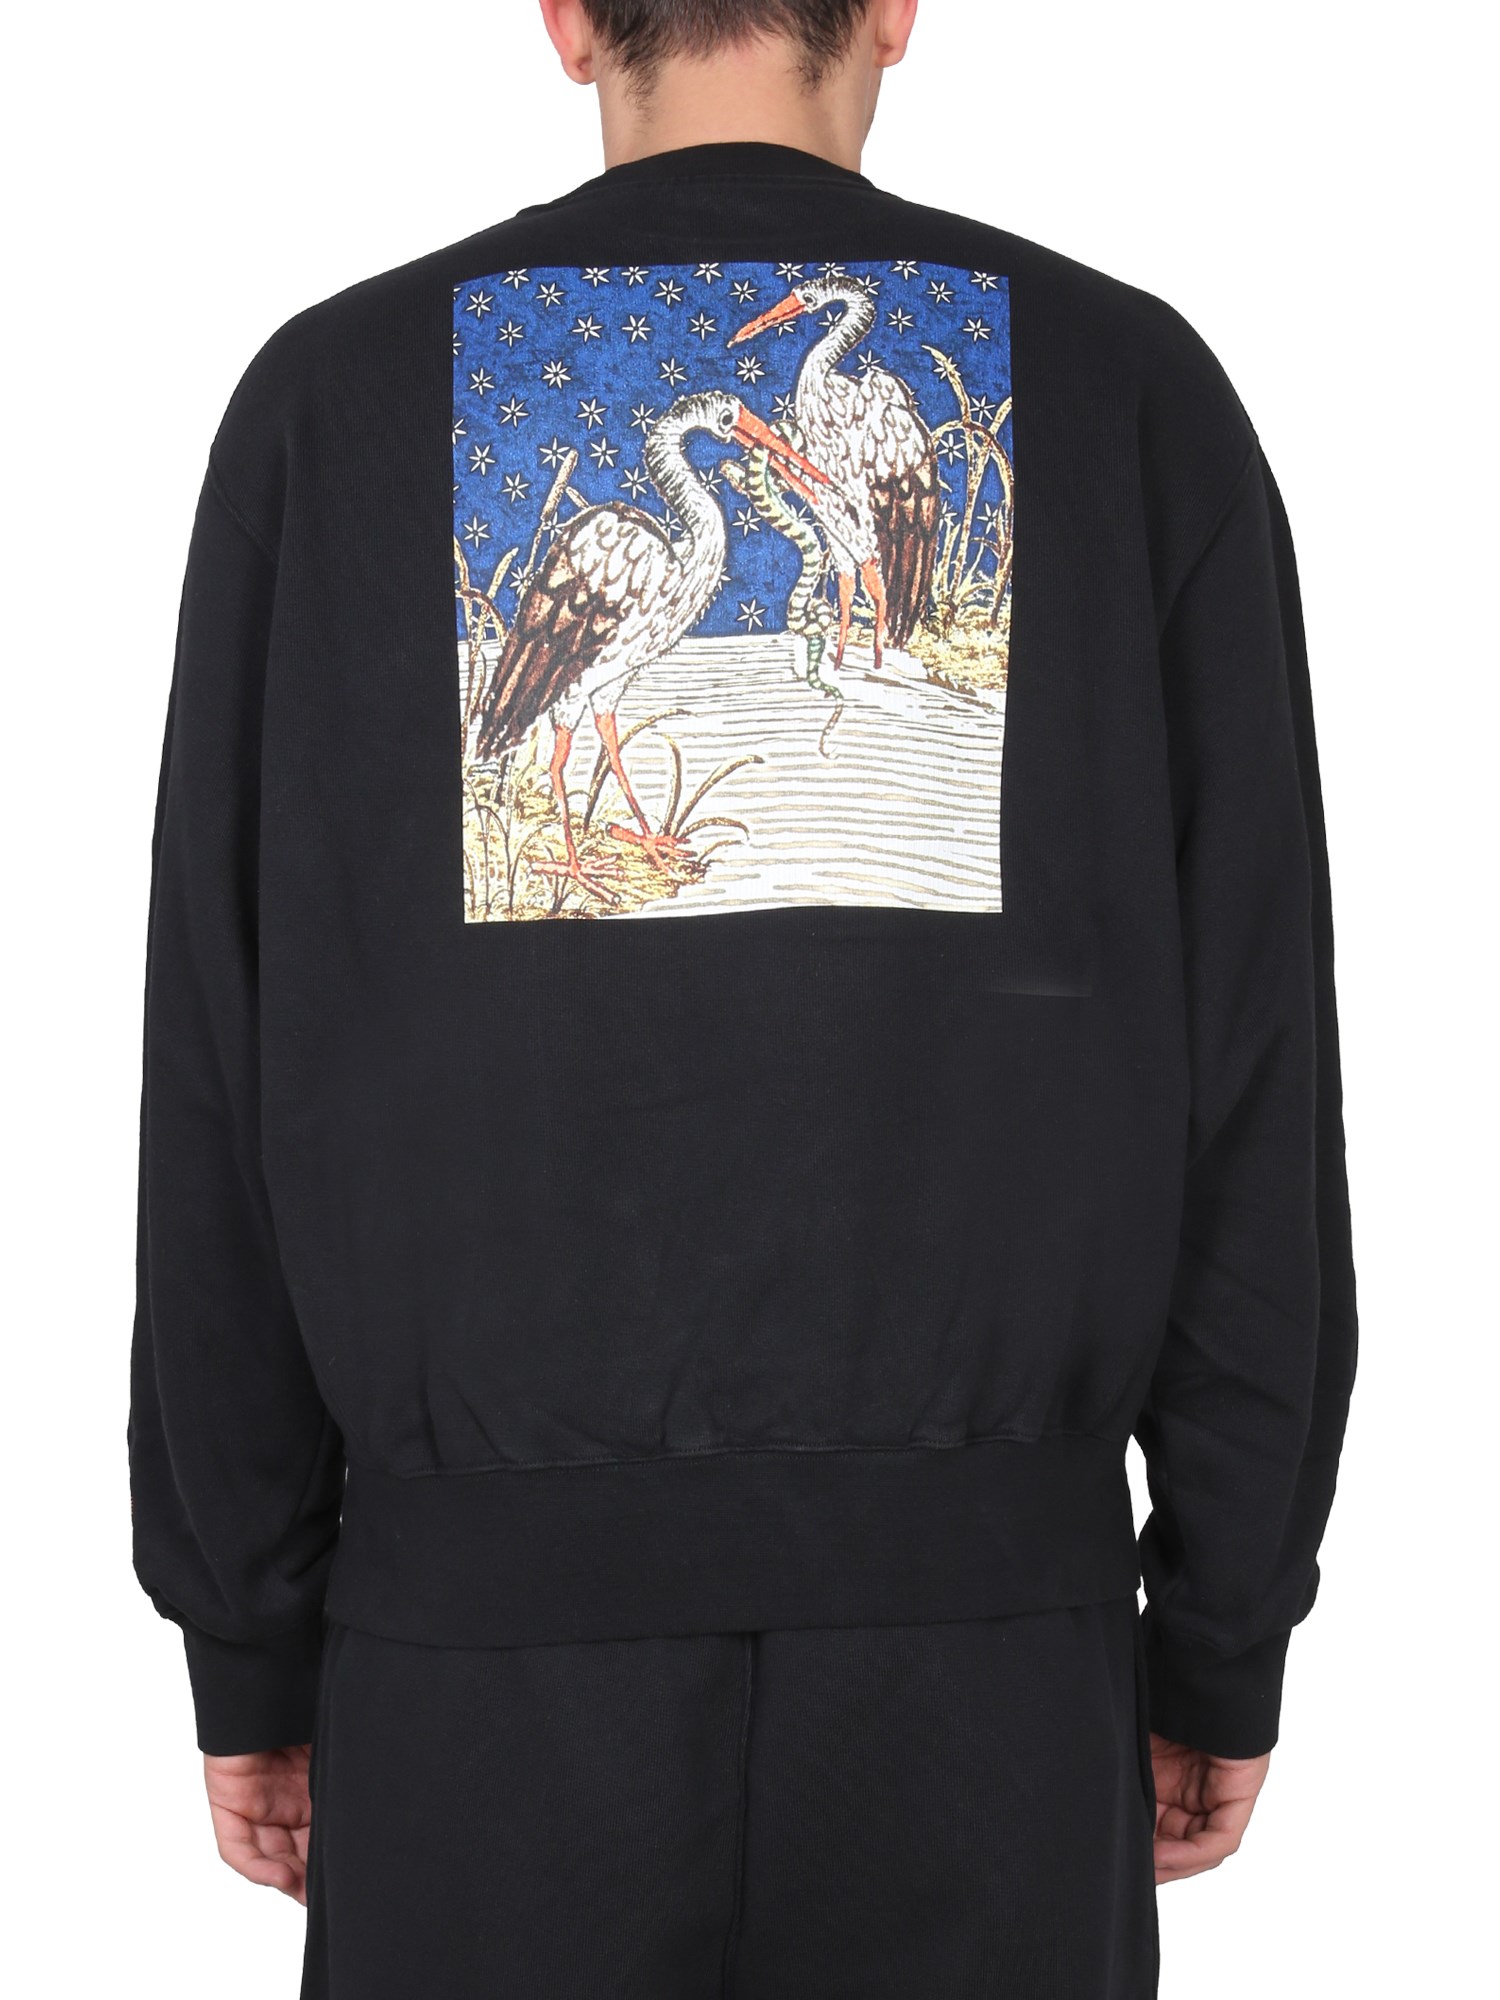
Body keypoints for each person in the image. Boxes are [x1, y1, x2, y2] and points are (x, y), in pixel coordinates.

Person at [129, 2, 1357, 1993]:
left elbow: (221, 1066)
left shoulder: (327, 404)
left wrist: (247, 1626)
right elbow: (1253, 1073)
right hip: (988, 1696)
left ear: (563, 20)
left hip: (475, 1703)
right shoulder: (1132, 389)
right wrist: (1224, 1614)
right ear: (895, 9)